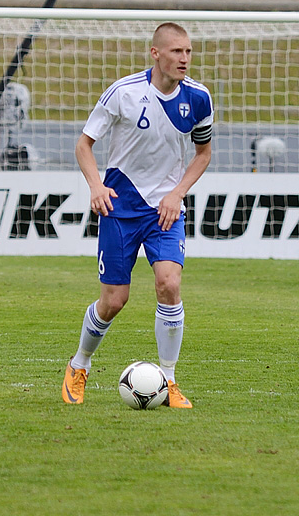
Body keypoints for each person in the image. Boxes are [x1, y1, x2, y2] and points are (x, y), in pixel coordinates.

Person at [62, 22, 213, 408]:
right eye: (177, 51)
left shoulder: (198, 98)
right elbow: (84, 144)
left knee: (169, 284)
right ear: (156, 53)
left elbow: (203, 154)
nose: (184, 58)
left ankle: (170, 381)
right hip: (120, 207)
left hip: (165, 210)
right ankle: (79, 365)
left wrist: (177, 193)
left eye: (189, 51)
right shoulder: (124, 93)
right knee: (114, 300)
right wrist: (96, 187)